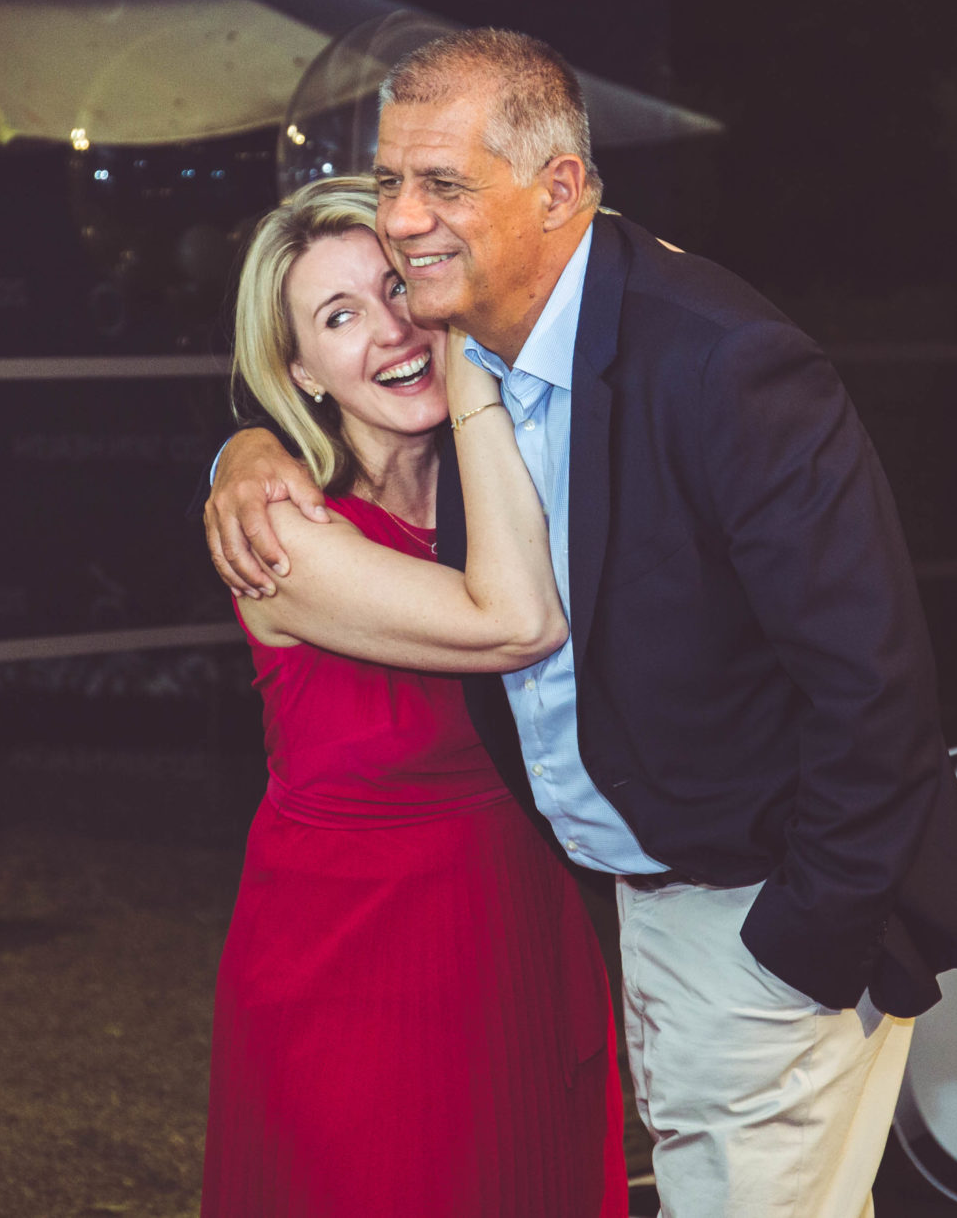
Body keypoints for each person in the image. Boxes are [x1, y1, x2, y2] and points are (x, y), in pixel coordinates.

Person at [206, 30, 957, 1217]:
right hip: (435, 959)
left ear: (559, 190)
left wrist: (803, 942)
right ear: (299, 367)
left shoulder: (684, 364)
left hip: (726, 922)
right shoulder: (415, 438)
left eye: (440, 189)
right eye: (391, 185)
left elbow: (870, 683)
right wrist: (244, 447)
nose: (408, 233)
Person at [200, 175, 628, 1218]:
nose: (391, 331)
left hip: (521, 945)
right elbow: (515, 621)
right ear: (299, 371)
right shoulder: (286, 533)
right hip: (350, 983)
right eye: (338, 317)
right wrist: (471, 359)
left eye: (399, 287)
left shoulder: (509, 483)